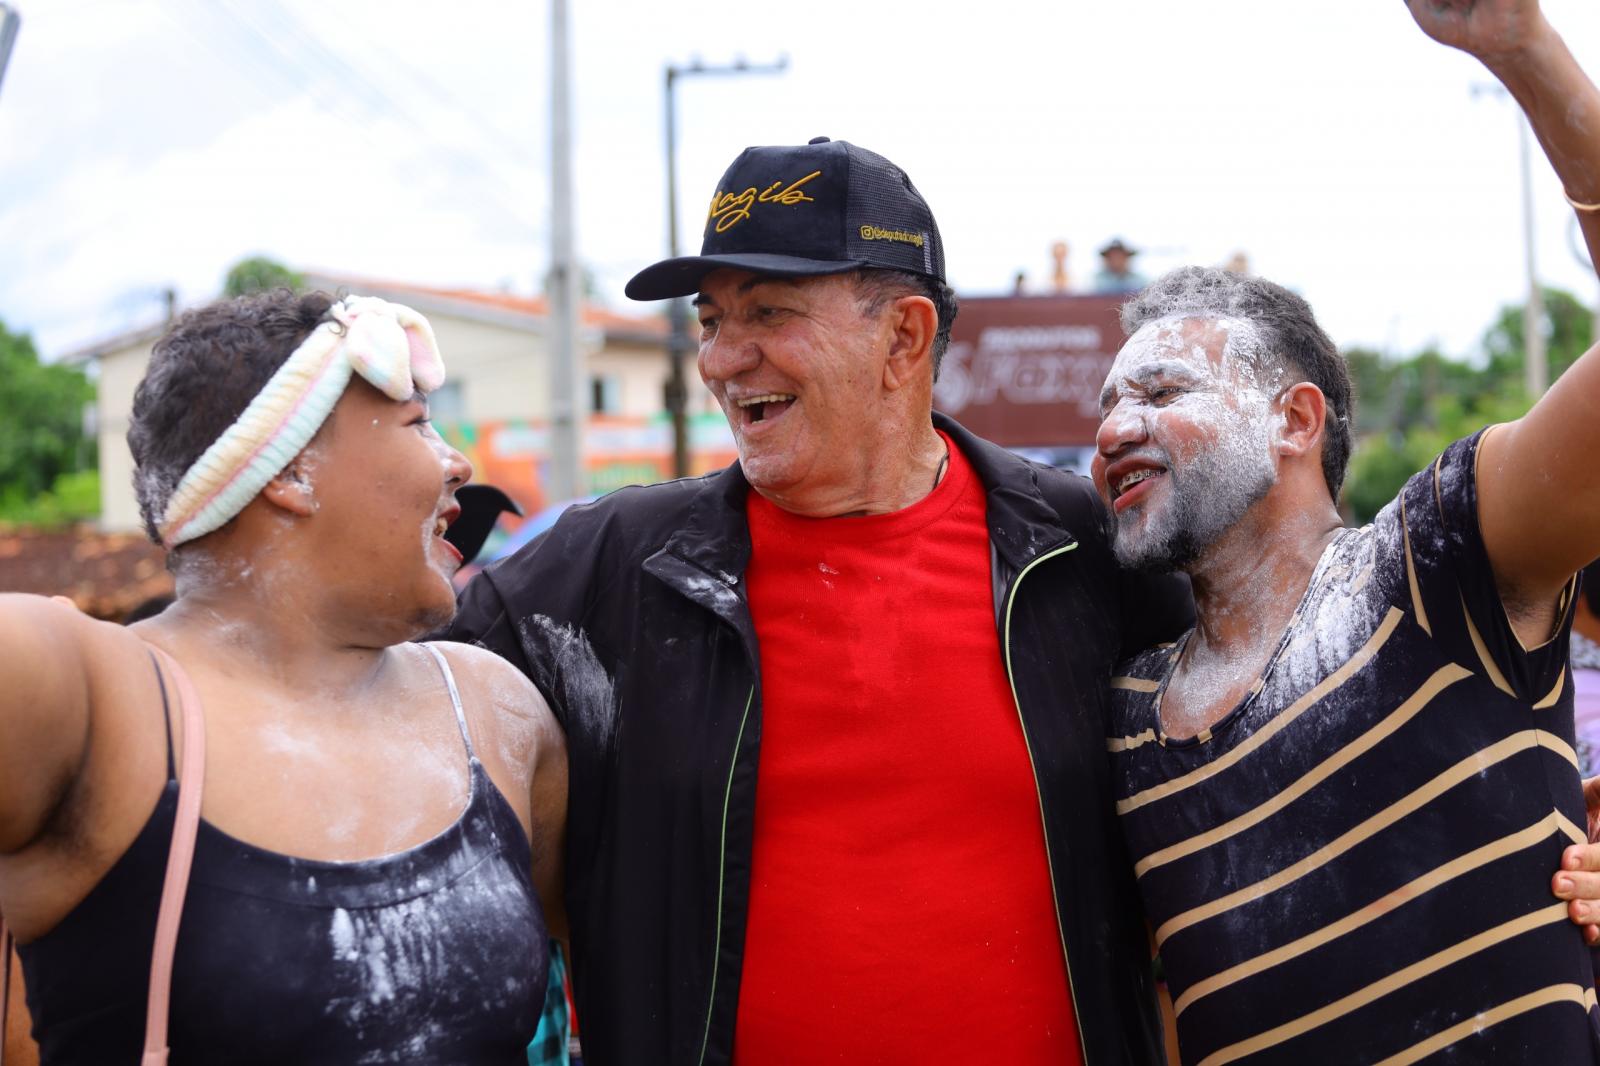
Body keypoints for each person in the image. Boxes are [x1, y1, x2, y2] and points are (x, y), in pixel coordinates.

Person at [446, 136, 1195, 1063]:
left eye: (769, 312)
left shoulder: (1084, 552)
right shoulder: (611, 569)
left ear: (904, 338)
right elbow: (392, 701)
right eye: (711, 320)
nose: (723, 360)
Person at [1095, 3, 1600, 1061]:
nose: (1112, 430)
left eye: (1162, 391)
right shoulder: (1128, 724)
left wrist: (1524, 52)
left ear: (1295, 420)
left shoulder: (1433, 561)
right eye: (1105, 405)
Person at [0, 290, 566, 1062]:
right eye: (418, 423)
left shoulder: (497, 711)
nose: (458, 463)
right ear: (291, 471)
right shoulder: (97, 700)